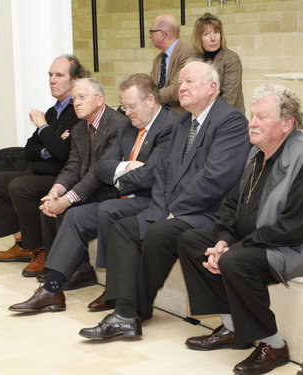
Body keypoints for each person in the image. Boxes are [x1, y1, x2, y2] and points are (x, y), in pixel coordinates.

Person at [177, 84, 303, 375]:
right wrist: (223, 240)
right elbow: (231, 205)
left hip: (302, 248)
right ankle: (232, 328)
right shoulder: (257, 153)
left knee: (235, 260)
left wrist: (236, 247)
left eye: (261, 117)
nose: (251, 123)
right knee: (191, 240)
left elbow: (297, 227)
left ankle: (274, 345)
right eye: (251, 115)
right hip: (260, 239)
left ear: (287, 123)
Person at [78, 60, 250, 340]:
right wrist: (160, 210)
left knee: (160, 231)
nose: (181, 87)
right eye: (180, 82)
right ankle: (127, 312)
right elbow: (163, 173)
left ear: (212, 87)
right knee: (124, 227)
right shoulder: (184, 122)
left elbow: (216, 179)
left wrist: (175, 211)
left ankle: (130, 311)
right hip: (175, 210)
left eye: (189, 82)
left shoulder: (230, 121)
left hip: (209, 213)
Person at [8, 73, 176, 313]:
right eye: (124, 106)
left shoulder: (169, 126)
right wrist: (125, 167)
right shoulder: (128, 125)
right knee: (75, 216)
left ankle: (114, 288)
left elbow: (149, 175)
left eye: (131, 106)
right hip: (123, 197)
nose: (126, 112)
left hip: (152, 201)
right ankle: (52, 289)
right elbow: (102, 167)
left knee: (105, 209)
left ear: (150, 100)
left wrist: (115, 177)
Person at [0, 55, 91, 284]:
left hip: (63, 179)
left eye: (59, 75)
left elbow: (63, 155)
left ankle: (41, 249)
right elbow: (30, 149)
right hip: (42, 171)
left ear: (75, 79)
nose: (52, 80)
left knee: (20, 186)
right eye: (50, 75)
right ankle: (23, 245)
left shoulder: (77, 109)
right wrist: (48, 143)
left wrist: (43, 128)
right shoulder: (52, 111)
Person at [17, 77, 130, 280]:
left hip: (111, 190)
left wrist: (68, 199)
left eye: (82, 97)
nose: (76, 103)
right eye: (74, 99)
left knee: (66, 210)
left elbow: (99, 172)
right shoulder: (79, 128)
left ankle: (78, 271)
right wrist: (55, 192)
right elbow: (73, 166)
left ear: (99, 99)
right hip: (89, 187)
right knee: (48, 206)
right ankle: (58, 268)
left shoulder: (117, 125)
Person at [192, 12, 245, 114]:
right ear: (199, 38)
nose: (213, 38)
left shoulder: (231, 59)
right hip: (200, 115)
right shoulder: (194, 60)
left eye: (216, 32)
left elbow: (230, 99)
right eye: (206, 34)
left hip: (228, 117)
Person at [149, 14, 194, 114]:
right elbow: (150, 86)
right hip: (160, 112)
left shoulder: (188, 53)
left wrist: (148, 99)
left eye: (151, 32)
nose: (149, 36)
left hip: (180, 114)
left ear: (162, 34)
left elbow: (177, 90)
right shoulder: (158, 59)